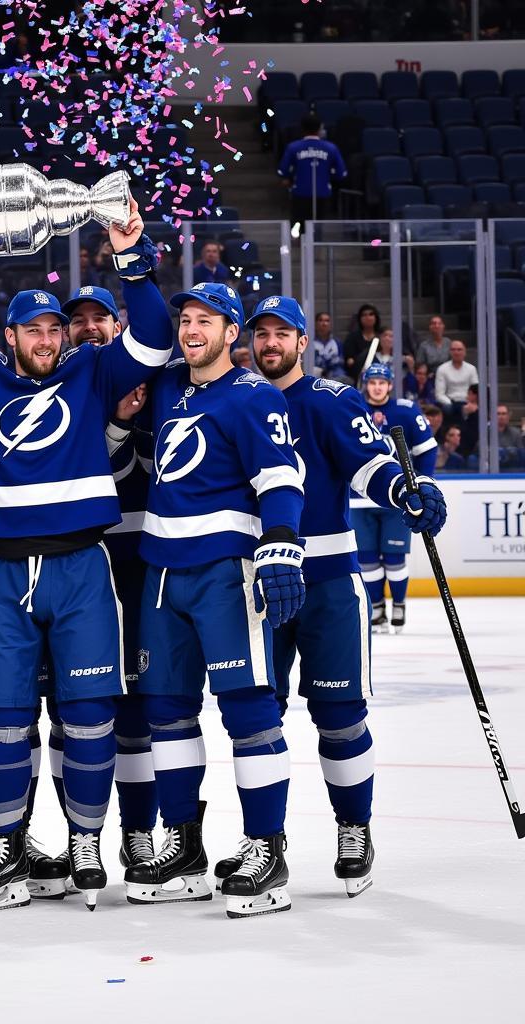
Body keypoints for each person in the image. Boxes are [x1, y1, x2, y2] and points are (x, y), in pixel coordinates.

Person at [0, 198, 174, 912]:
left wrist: (130, 256)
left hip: (81, 568)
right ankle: (6, 846)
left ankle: (86, 843)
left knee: (88, 714)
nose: (45, 337)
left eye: (54, 327)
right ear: (10, 334)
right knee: (3, 716)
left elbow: (153, 334)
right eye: (33, 328)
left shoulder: (90, 373)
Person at [248, 294, 446, 897]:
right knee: (257, 718)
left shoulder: (332, 401)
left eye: (283, 334)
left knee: (339, 717)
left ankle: (353, 827)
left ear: (304, 342)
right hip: (256, 584)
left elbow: (371, 466)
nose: (271, 343)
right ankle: (265, 844)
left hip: (329, 583)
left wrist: (404, 492)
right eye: (262, 334)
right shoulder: (236, 401)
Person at [125, 281, 304, 919]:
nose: (192, 330)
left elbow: (282, 478)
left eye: (207, 321)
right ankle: (185, 844)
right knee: (167, 711)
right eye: (187, 320)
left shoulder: (254, 396)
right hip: (162, 572)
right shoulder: (170, 384)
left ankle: (266, 846)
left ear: (233, 333)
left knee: (249, 710)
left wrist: (280, 542)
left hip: (227, 574)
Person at [63, 284, 159, 871]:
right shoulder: (57, 386)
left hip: (143, 564)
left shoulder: (154, 380)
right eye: (79, 321)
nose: (90, 328)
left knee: (142, 709)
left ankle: (141, 831)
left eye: (102, 318)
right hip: (74, 565)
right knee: (71, 708)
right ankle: (78, 836)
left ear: (119, 326)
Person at [350, 363, 437, 634]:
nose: (377, 386)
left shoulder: (406, 411)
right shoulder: (351, 407)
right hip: (359, 499)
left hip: (398, 498)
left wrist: (419, 484)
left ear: (390, 385)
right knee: (367, 558)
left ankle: (398, 603)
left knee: (394, 556)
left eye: (382, 382)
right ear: (366, 384)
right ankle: (377, 607)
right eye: (372, 381)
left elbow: (427, 450)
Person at [277, 113, 347, 234]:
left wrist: (288, 178)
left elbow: (283, 171)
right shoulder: (331, 148)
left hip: (300, 192)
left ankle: (297, 243)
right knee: (317, 227)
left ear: (302, 129)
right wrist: (329, 175)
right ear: (320, 128)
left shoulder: (293, 147)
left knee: (298, 225)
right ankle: (315, 245)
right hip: (322, 192)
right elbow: (341, 173)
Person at [434, 340, 478, 420]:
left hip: (467, 402)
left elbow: (475, 390)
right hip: (450, 403)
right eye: (453, 350)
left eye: (459, 349)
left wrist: (470, 403)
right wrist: (453, 405)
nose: (456, 352)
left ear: (464, 352)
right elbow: (439, 394)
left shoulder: (471, 369)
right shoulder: (442, 369)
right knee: (448, 409)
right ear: (450, 352)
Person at [343, 303, 382, 380]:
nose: (368, 317)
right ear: (359, 318)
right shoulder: (352, 337)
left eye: (371, 314)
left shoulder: (382, 336)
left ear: (376, 317)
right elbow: (349, 360)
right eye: (364, 315)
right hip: (358, 373)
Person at [312, 311, 345, 381]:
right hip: (314, 375)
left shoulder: (337, 342)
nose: (324, 324)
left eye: (327, 321)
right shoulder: (309, 343)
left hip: (334, 376)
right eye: (321, 320)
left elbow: (340, 362)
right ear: (315, 323)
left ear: (331, 324)